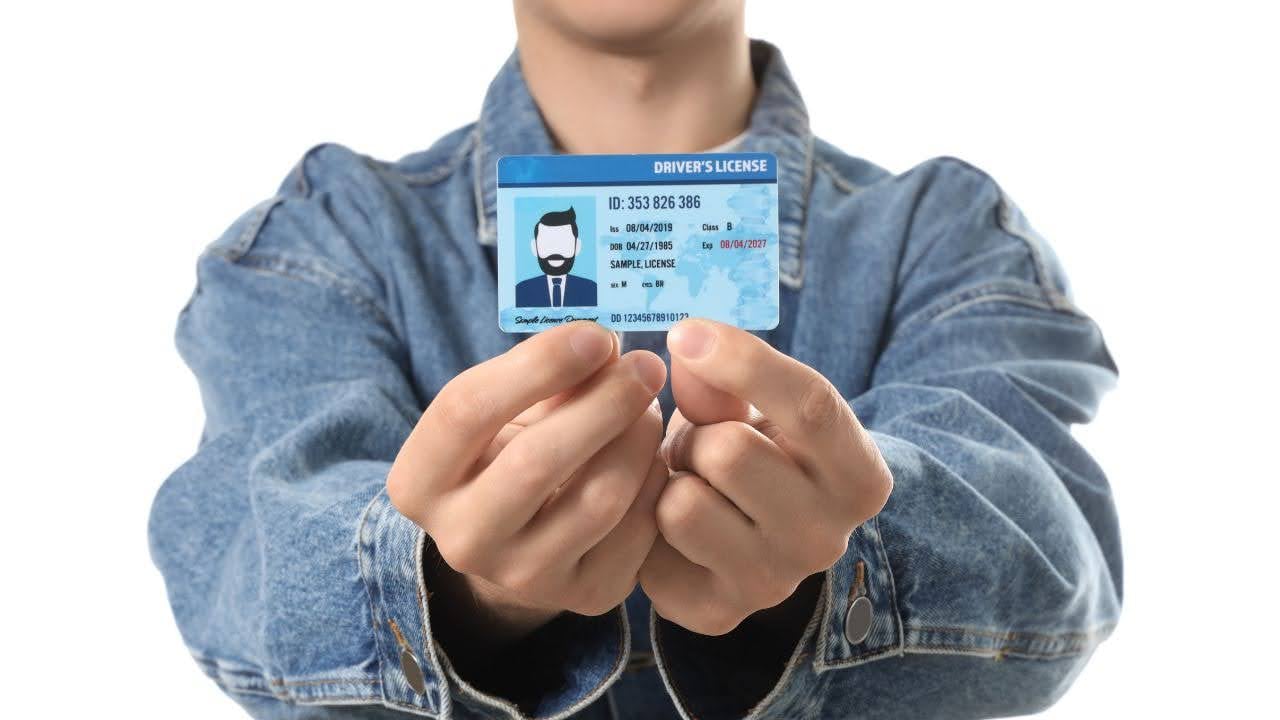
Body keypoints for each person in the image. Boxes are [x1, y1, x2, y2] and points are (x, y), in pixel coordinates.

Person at [147, 1, 1122, 718]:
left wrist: (838, 557)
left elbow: (1050, 562)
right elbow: (238, 565)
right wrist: (451, 585)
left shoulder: (947, 234)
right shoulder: (322, 237)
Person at [516, 207, 598, 308]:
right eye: (547, 243)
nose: (555, 250)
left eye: (564, 242)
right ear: (534, 247)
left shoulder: (591, 290)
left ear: (577, 246)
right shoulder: (522, 290)